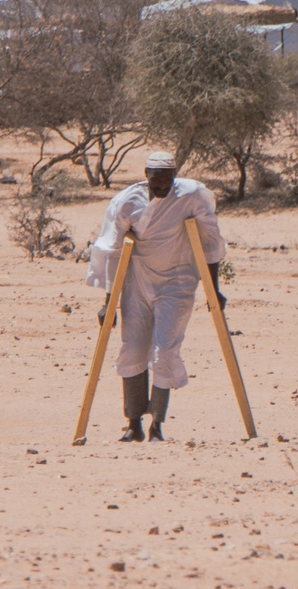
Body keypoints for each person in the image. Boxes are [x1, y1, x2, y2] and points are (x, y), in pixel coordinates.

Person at [86, 150, 226, 441]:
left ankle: (156, 425)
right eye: (156, 182)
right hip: (137, 279)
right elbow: (111, 250)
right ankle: (133, 423)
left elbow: (210, 243)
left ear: (173, 177)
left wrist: (214, 289)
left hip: (177, 281)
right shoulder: (126, 202)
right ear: (146, 176)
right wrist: (107, 302)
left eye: (167, 181)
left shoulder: (193, 196)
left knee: (165, 351)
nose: (162, 187)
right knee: (133, 348)